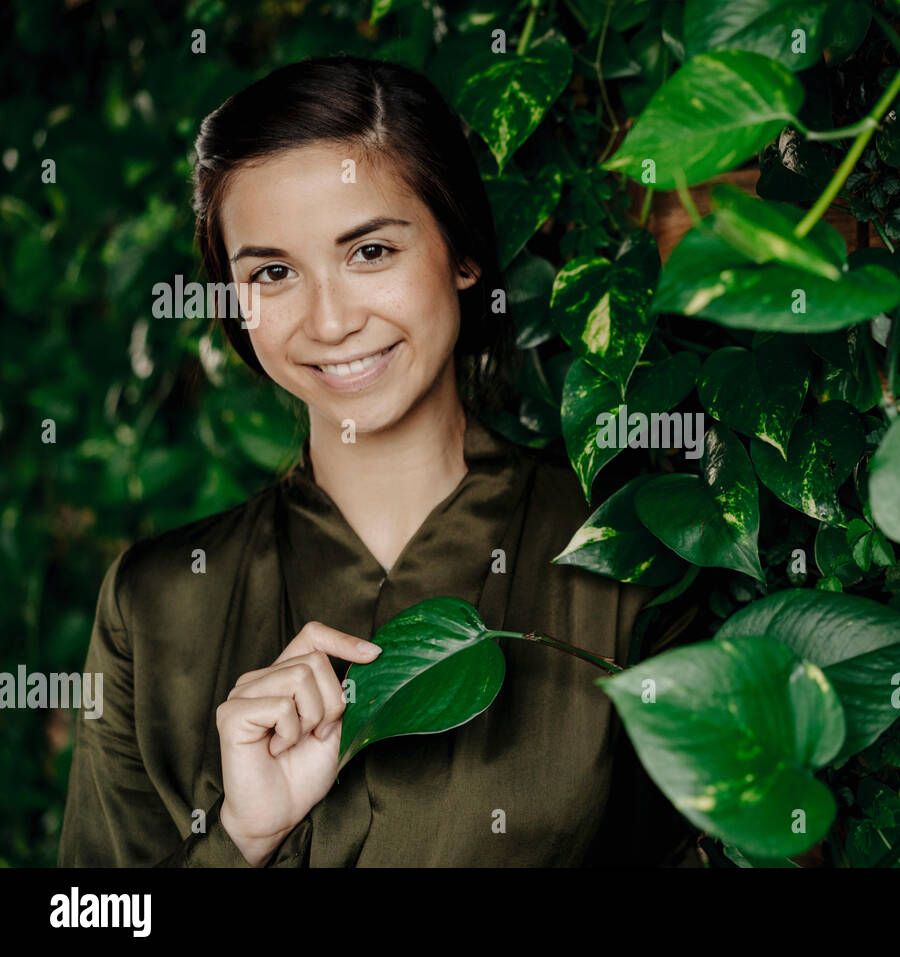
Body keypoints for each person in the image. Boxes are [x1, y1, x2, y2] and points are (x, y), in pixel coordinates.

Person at [58, 55, 696, 867]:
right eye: (274, 272)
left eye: (369, 253)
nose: (329, 322)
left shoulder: (618, 556)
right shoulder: (153, 605)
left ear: (462, 254)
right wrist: (241, 839)